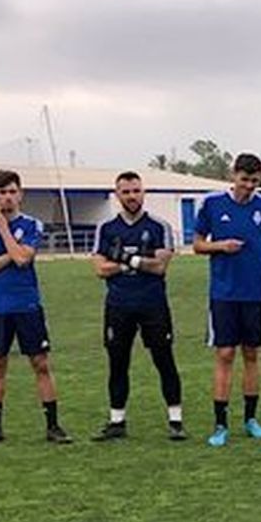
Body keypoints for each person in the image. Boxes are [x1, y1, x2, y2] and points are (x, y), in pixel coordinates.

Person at [0, 169, 70, 445]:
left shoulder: (32, 224)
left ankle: (53, 425)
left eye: (12, 191)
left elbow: (24, 259)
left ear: (21, 194)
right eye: (2, 192)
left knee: (40, 363)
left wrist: (3, 229)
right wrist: (10, 255)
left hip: (27, 306)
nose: (8, 197)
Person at [193, 153, 261, 447]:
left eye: (255, 181)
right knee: (224, 356)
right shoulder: (212, 204)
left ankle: (251, 419)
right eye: (244, 180)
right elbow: (196, 244)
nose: (248, 186)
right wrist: (221, 246)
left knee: (251, 355)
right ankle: (220, 424)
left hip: (253, 295)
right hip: (223, 295)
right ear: (233, 175)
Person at [90, 171, 186, 441]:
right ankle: (117, 421)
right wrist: (130, 262)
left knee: (164, 360)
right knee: (118, 363)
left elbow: (159, 266)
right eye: (126, 192)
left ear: (143, 192)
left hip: (153, 305)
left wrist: (123, 260)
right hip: (118, 306)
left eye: (136, 191)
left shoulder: (159, 226)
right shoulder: (106, 228)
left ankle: (176, 420)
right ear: (117, 194)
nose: (132, 196)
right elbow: (100, 268)